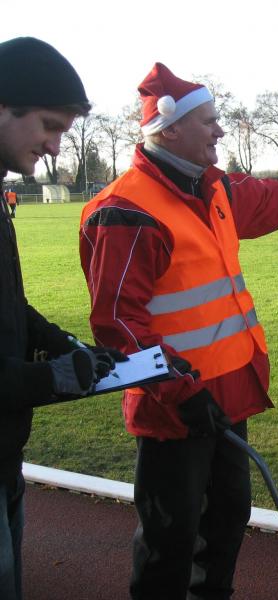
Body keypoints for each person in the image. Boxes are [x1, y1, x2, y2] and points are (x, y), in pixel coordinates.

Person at [78, 63, 278, 600]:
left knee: (227, 519)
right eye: (209, 121)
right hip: (175, 406)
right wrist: (179, 392)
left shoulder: (216, 189)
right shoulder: (125, 210)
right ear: (170, 128)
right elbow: (118, 325)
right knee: (171, 536)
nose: (219, 130)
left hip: (228, 392)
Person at [0, 36, 123, 600]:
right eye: (49, 125)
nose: (54, 146)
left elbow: (10, 305)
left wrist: (65, 343)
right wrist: (51, 377)